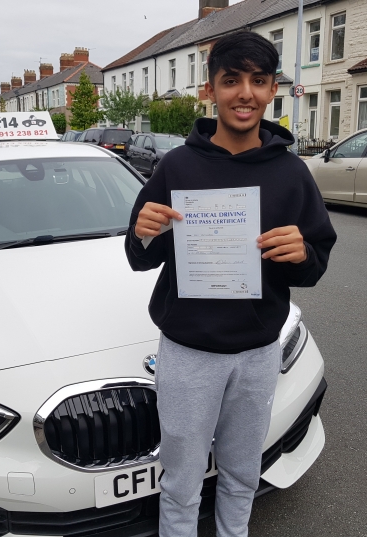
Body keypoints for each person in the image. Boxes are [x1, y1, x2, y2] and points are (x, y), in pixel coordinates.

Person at [124, 31, 336, 537]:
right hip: (188, 352)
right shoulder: (176, 166)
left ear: (272, 90)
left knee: (242, 473)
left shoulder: (291, 173)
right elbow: (138, 258)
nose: (246, 93)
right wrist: (143, 232)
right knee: (180, 479)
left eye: (258, 81)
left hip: (258, 353)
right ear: (210, 90)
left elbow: (315, 262)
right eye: (231, 80)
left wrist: (302, 252)